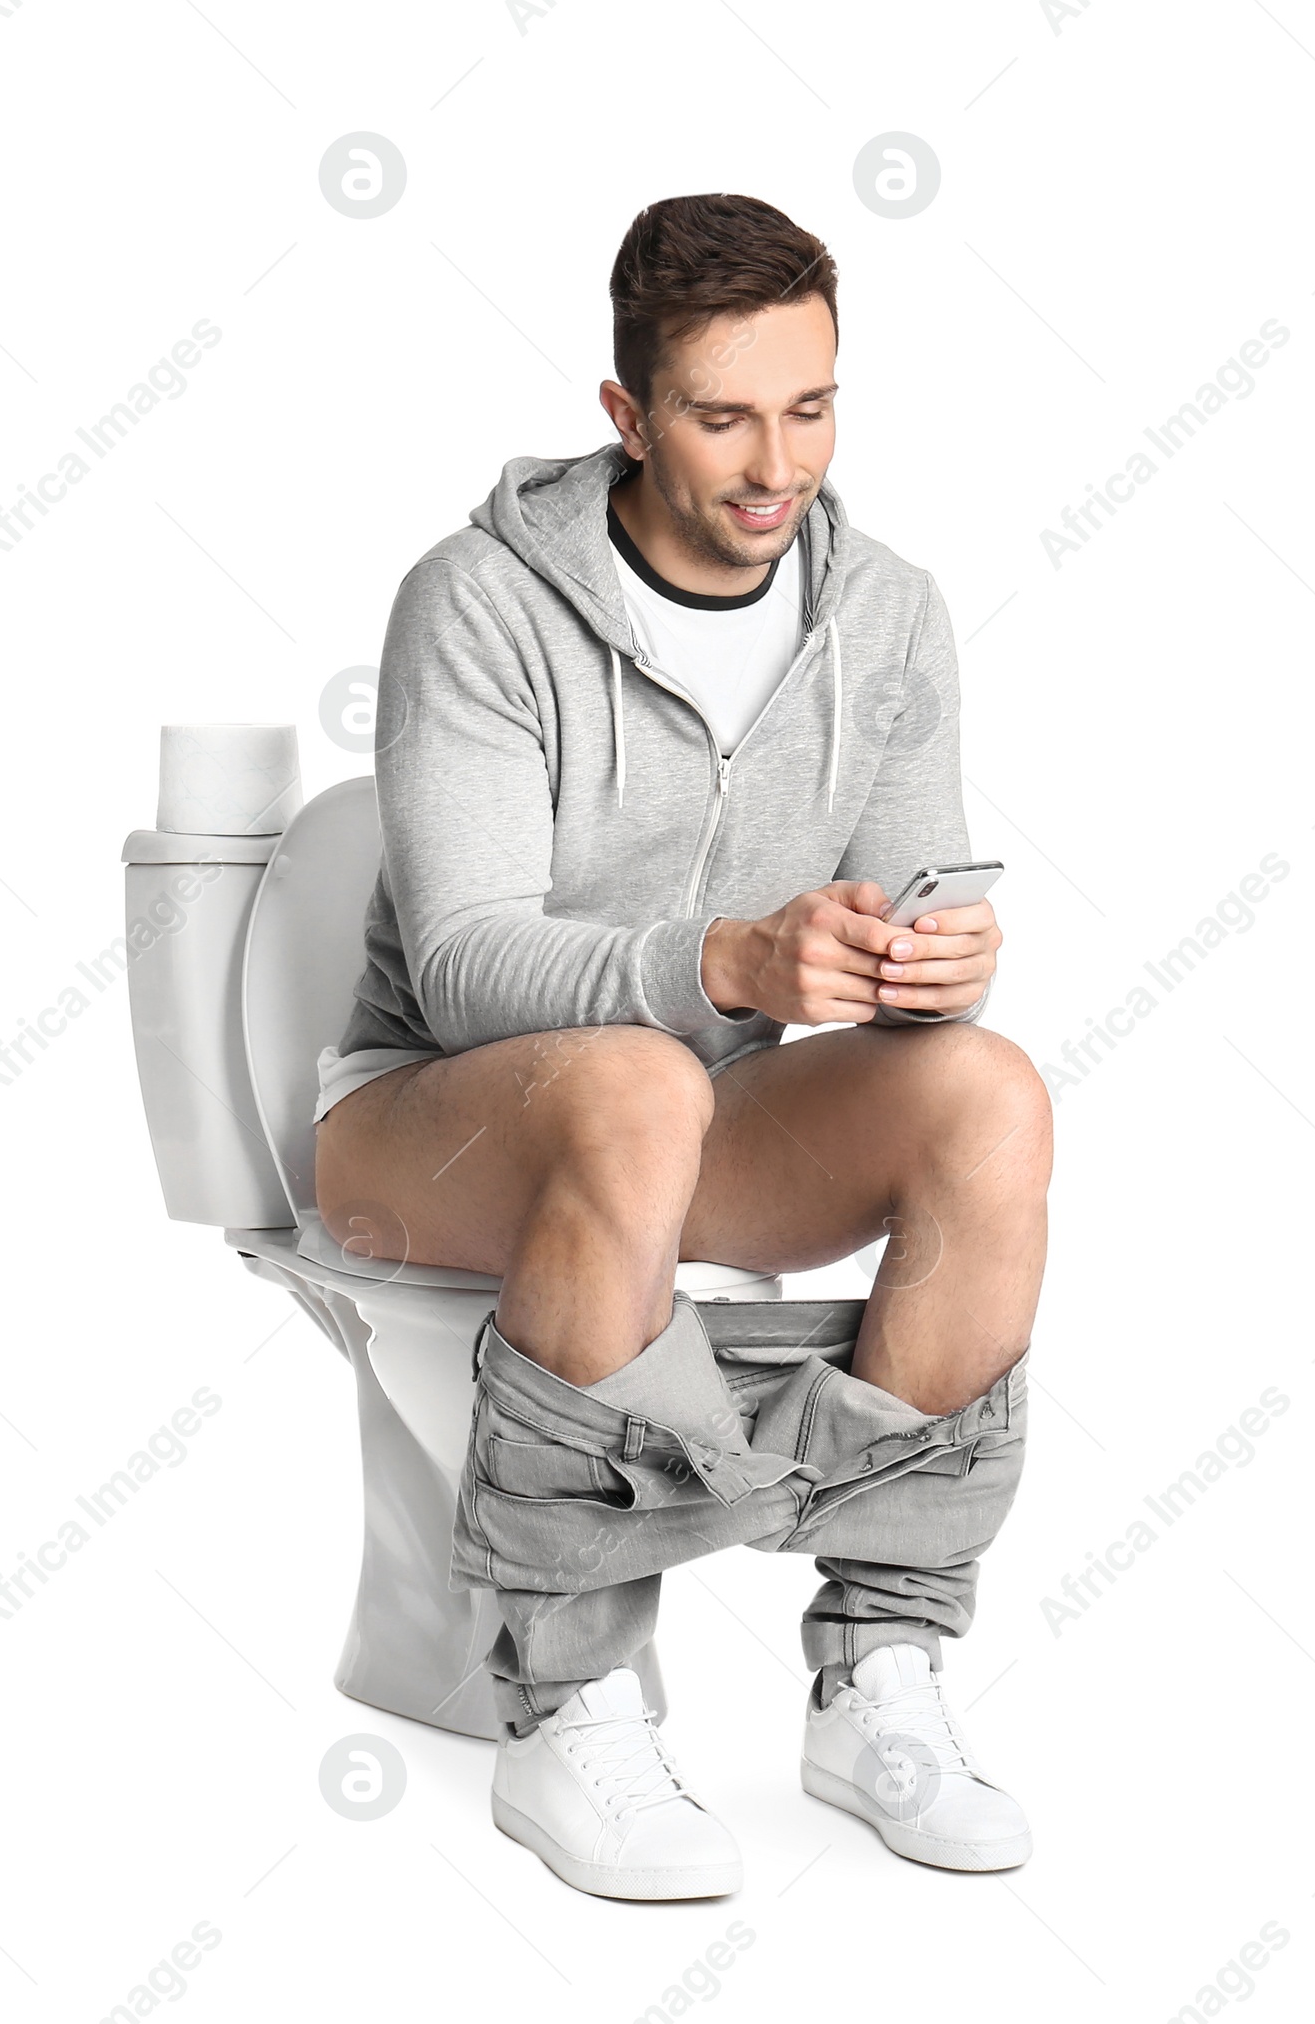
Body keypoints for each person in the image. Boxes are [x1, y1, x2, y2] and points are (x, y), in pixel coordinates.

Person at [313, 192, 1052, 1901]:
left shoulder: (891, 613)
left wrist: (937, 963)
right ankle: (565, 1701)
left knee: (989, 1100)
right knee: (637, 1077)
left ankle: (882, 1670)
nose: (773, 461)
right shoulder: (480, 600)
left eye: (812, 407)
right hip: (418, 1114)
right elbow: (472, 960)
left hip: (694, 1112)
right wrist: (729, 958)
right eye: (722, 415)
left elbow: (909, 930)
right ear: (628, 413)